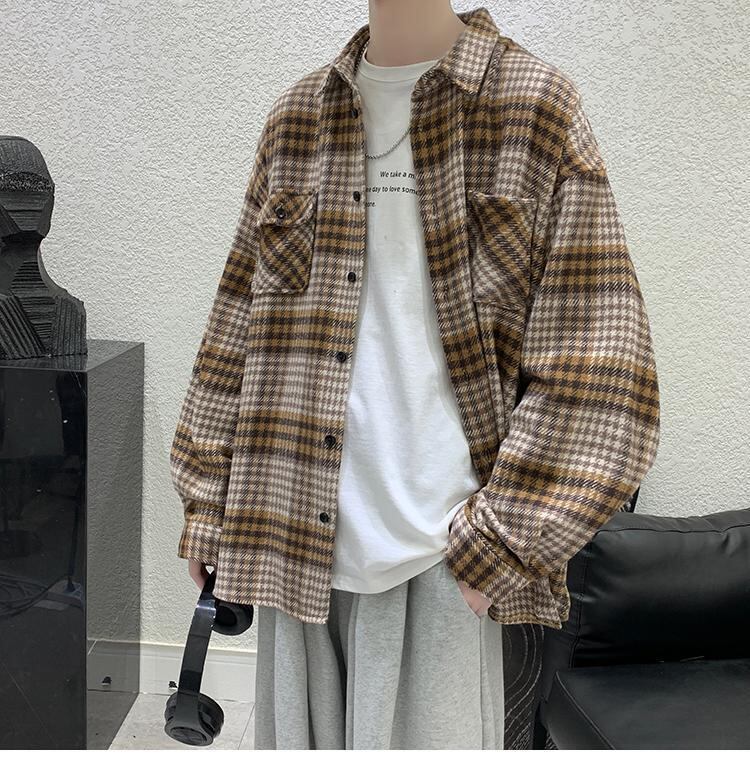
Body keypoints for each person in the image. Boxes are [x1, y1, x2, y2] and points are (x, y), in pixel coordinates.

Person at [170, 1, 660, 750]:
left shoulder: (533, 108)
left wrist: (502, 543)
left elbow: (603, 361)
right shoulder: (297, 119)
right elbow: (235, 326)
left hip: (441, 553)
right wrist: (208, 500)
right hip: (291, 540)